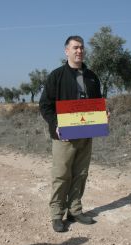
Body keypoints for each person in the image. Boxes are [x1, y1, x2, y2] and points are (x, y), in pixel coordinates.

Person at [39, 35, 102, 232]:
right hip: (64, 136)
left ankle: (75, 210)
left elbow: (96, 101)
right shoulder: (56, 76)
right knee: (61, 175)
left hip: (86, 134)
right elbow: (45, 105)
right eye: (75, 48)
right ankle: (57, 214)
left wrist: (102, 114)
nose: (79, 51)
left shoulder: (92, 76)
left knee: (81, 173)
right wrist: (56, 123)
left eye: (82, 48)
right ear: (66, 51)